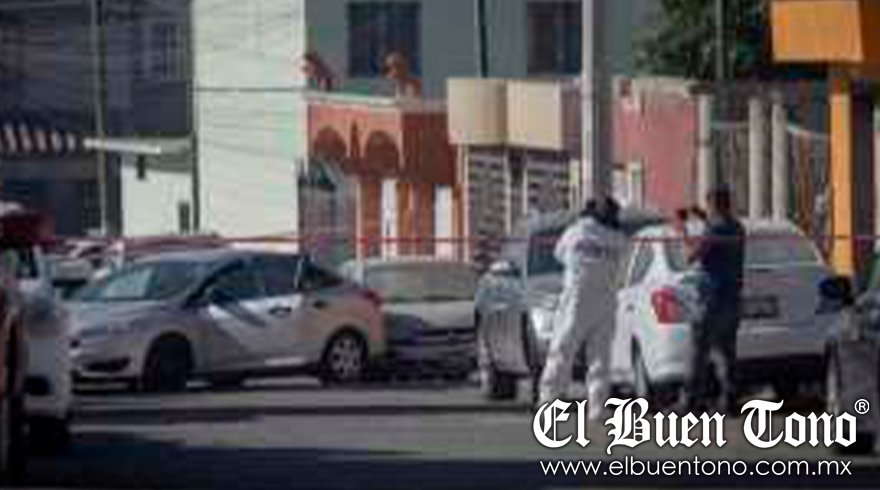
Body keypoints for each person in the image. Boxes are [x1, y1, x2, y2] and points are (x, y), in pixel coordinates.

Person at [538, 197, 629, 420]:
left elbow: (559, 254)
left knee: (563, 347)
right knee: (600, 355)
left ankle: (549, 400)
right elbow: (624, 268)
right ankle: (597, 406)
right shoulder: (619, 239)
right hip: (606, 299)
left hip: (577, 297)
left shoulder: (575, 232)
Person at [680, 187, 745, 414]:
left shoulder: (713, 231)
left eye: (708, 205)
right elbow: (718, 232)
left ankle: (691, 402)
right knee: (728, 353)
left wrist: (682, 230)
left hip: (711, 300)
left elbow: (691, 256)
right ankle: (730, 400)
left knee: (698, 352)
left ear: (714, 205)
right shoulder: (738, 228)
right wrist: (703, 218)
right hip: (733, 300)